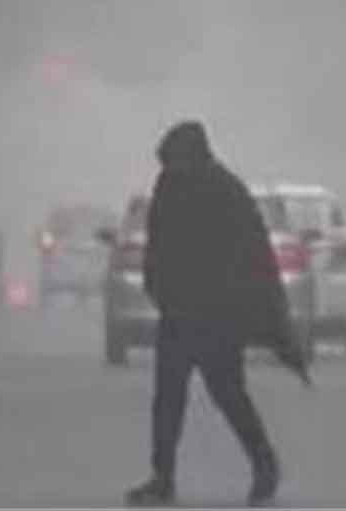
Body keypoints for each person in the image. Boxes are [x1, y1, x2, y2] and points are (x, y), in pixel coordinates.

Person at [125, 121, 310, 507]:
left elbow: (255, 256)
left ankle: (264, 464)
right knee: (169, 399)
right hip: (179, 311)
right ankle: (163, 477)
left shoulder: (225, 191)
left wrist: (264, 312)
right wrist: (157, 286)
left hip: (218, 314)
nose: (171, 166)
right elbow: (158, 244)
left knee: (227, 394)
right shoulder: (170, 186)